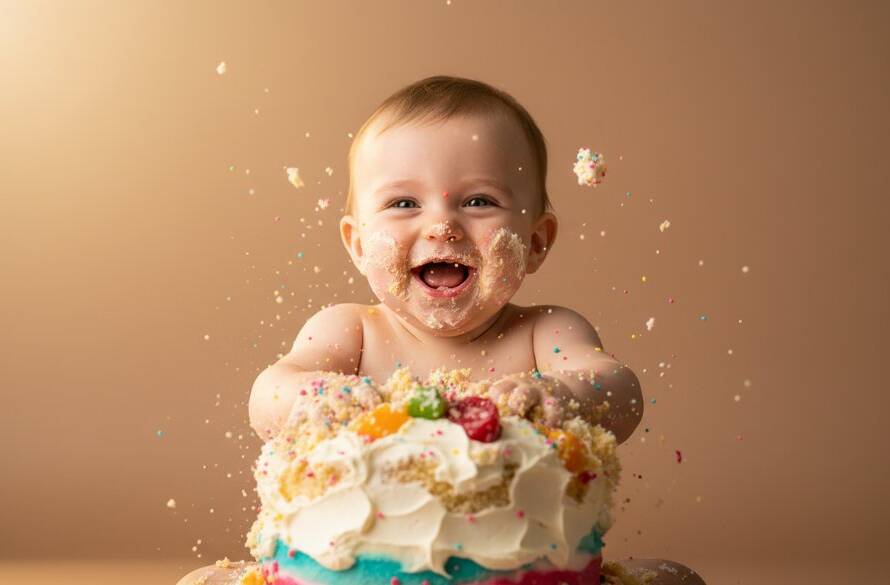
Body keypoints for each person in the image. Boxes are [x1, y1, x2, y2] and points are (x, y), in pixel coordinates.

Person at [179, 76, 705, 585]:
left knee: (674, 579)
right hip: (343, 575)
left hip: (522, 575)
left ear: (537, 241)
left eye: (479, 201)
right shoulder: (351, 330)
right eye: (404, 203)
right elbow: (269, 395)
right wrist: (324, 396)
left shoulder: (545, 332)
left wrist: (558, 394)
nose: (443, 226)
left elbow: (618, 390)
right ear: (358, 244)